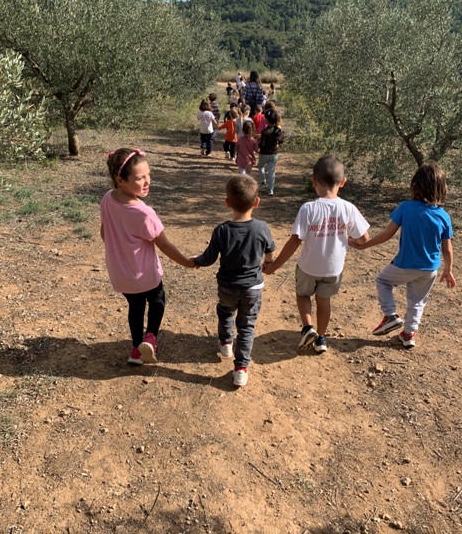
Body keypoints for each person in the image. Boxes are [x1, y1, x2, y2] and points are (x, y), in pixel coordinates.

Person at [263, 155, 370, 354]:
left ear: (314, 181)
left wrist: (274, 266)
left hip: (308, 267)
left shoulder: (308, 209)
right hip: (333, 269)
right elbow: (364, 238)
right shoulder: (348, 208)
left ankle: (307, 328)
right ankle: (321, 338)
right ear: (343, 182)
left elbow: (295, 241)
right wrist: (349, 241)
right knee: (324, 301)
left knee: (303, 294)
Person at [100, 148, 193, 365]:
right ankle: (150, 337)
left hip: (120, 274)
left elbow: (104, 233)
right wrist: (187, 262)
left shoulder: (107, 199)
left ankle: (136, 351)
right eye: (140, 178)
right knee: (157, 299)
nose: (147, 181)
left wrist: (119, 249)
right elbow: (165, 245)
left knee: (136, 307)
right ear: (120, 180)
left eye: (148, 175)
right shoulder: (143, 213)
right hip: (144, 274)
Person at [349, 160, 456, 348]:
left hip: (405, 264)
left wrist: (364, 245)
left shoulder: (406, 208)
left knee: (383, 281)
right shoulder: (444, 216)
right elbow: (447, 249)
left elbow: (387, 234)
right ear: (441, 188)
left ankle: (390, 315)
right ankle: (408, 335)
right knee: (417, 301)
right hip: (430, 269)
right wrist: (448, 269)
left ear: (415, 185)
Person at [192, 176, 275, 386]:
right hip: (252, 287)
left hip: (227, 286)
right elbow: (270, 253)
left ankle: (226, 342)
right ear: (257, 202)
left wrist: (195, 261)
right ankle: (241, 368)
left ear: (227, 203)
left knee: (225, 312)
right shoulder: (262, 228)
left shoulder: (222, 230)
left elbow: (208, 258)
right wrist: (268, 263)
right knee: (246, 325)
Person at [258, 109, 285, 196]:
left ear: (266, 120)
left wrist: (257, 146)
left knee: (261, 166)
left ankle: (263, 182)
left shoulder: (264, 131)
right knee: (271, 171)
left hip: (264, 153)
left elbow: (262, 144)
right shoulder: (277, 130)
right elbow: (280, 139)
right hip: (274, 153)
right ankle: (271, 189)